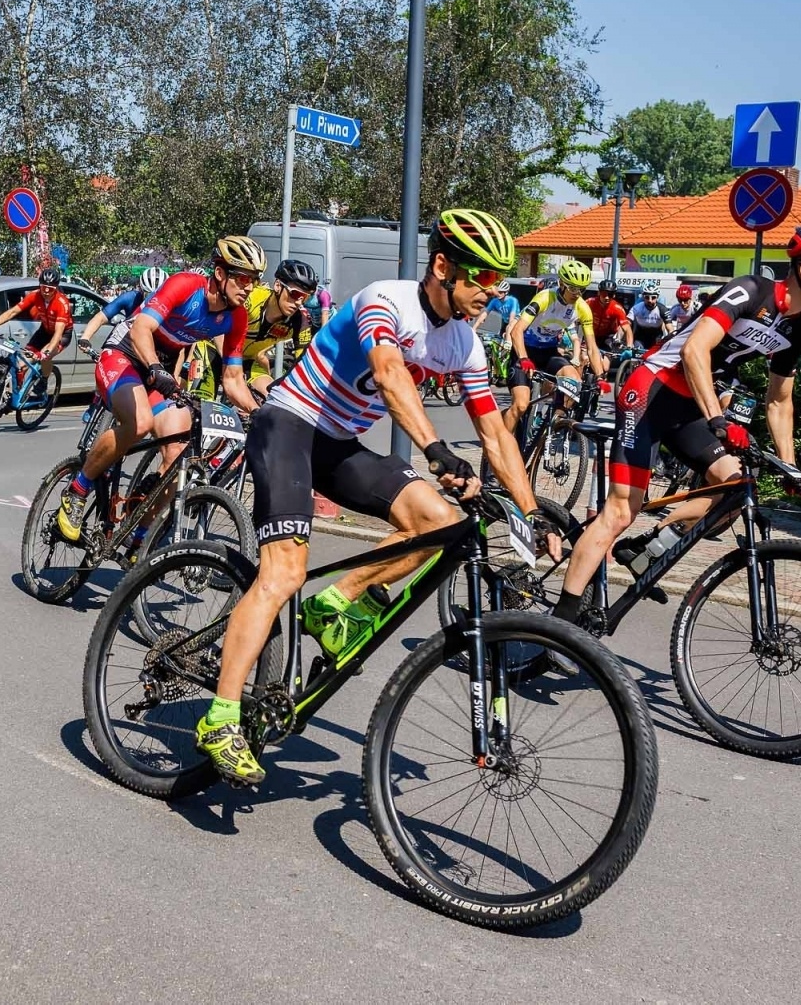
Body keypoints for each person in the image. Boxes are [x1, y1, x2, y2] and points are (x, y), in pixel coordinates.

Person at [194, 209, 559, 785]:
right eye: (483, 278)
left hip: (337, 443)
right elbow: (390, 375)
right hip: (289, 426)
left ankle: (335, 603)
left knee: (440, 523)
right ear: (443, 266)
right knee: (284, 572)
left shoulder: (466, 342)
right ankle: (220, 717)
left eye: (500, 281)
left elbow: (495, 433)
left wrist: (532, 512)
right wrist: (435, 450)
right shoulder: (385, 300)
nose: (493, 292)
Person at [549, 225, 801, 625]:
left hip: (688, 405)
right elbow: (697, 349)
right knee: (619, 512)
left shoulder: (796, 329)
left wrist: (790, 464)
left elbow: (779, 399)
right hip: (651, 389)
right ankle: (560, 626)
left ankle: (647, 547)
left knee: (734, 490)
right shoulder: (751, 290)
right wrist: (718, 418)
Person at [56, 236, 262, 542]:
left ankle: (139, 533)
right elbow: (141, 328)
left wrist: (261, 412)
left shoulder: (237, 317)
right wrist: (154, 367)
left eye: (254, 281)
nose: (249, 288)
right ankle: (77, 489)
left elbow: (232, 379)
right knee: (139, 422)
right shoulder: (185, 285)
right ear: (220, 273)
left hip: (160, 367)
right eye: (244, 278)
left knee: (179, 453)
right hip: (126, 353)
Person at [504, 259, 602, 437]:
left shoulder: (582, 307)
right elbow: (517, 331)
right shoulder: (544, 298)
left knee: (575, 382)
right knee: (521, 405)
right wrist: (524, 359)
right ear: (561, 284)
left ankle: (551, 423)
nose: (577, 293)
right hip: (525, 350)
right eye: (573, 288)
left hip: (549, 352)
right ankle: (499, 447)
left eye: (582, 289)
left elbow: (593, 347)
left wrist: (600, 377)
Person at [243, 259, 318, 400]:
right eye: (295, 294)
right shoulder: (251, 298)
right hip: (215, 349)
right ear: (278, 285)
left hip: (247, 360)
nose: (298, 302)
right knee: (199, 406)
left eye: (305, 298)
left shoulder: (299, 321)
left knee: (273, 399)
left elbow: (305, 364)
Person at [0, 267, 73, 371]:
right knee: (23, 363)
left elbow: (58, 333)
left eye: (51, 289)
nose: (46, 291)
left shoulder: (62, 303)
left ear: (56, 288)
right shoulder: (35, 295)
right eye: (43, 287)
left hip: (63, 334)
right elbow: (13, 311)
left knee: (45, 358)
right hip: (45, 330)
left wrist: (46, 352)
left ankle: (43, 383)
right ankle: (19, 384)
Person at [77, 266, 165, 354]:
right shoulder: (130, 298)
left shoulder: (173, 305)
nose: (153, 300)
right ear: (141, 290)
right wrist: (85, 337)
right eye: (148, 295)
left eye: (158, 296)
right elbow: (100, 317)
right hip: (131, 347)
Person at [586, 281, 633, 373]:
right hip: (590, 334)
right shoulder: (589, 302)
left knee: (605, 368)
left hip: (607, 337)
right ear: (598, 293)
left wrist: (629, 347)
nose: (607, 297)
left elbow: (627, 329)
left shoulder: (617, 308)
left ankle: (602, 383)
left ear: (614, 295)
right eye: (604, 294)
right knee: (584, 359)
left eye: (610, 295)